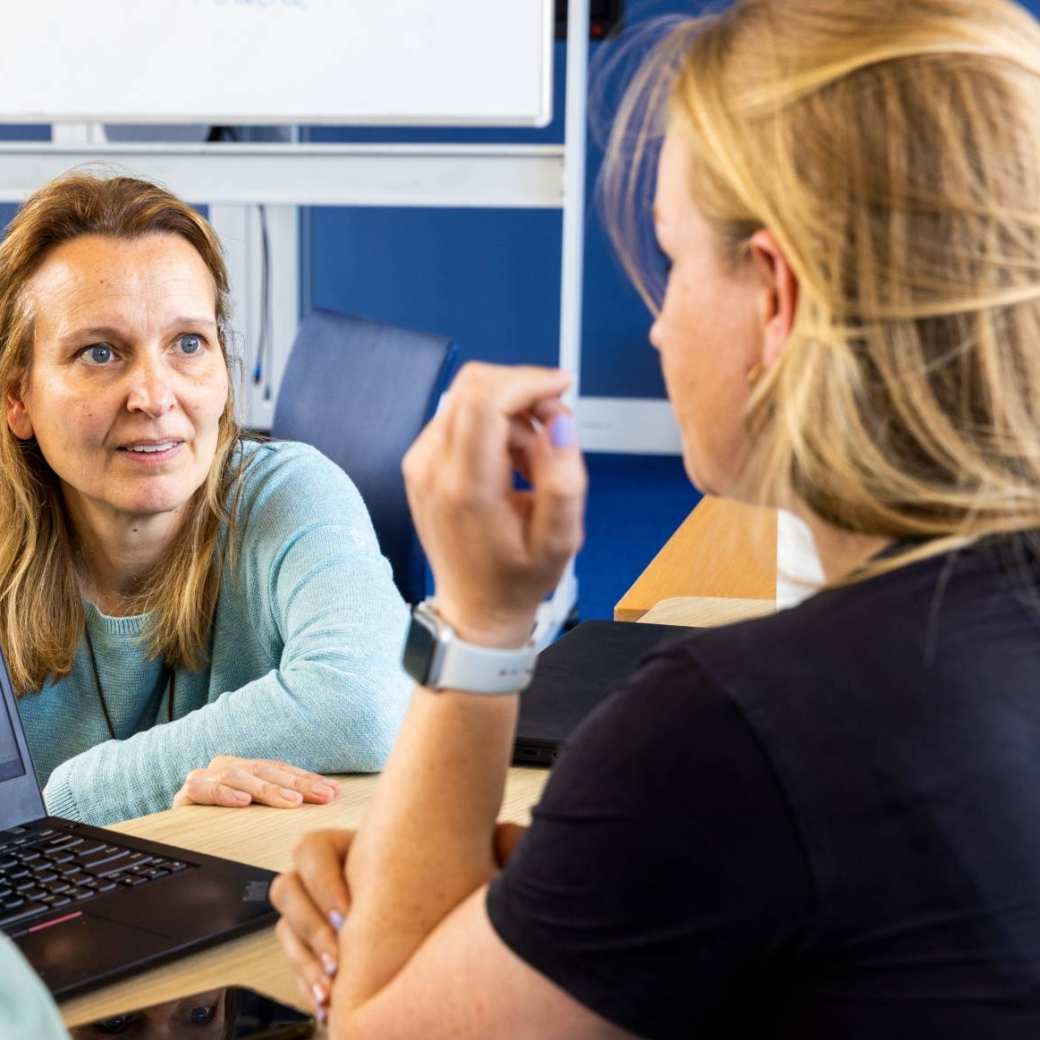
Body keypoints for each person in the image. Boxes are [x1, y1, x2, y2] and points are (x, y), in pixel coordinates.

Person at [270, 0, 1040, 1036]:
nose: (656, 319)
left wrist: (478, 618)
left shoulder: (729, 731)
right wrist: (560, 877)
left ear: (773, 294)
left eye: (674, 261)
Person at [0, 174, 412, 828]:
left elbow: (363, 701)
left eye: (188, 344)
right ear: (16, 397)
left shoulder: (287, 493)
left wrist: (67, 800)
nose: (155, 397)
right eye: (100, 353)